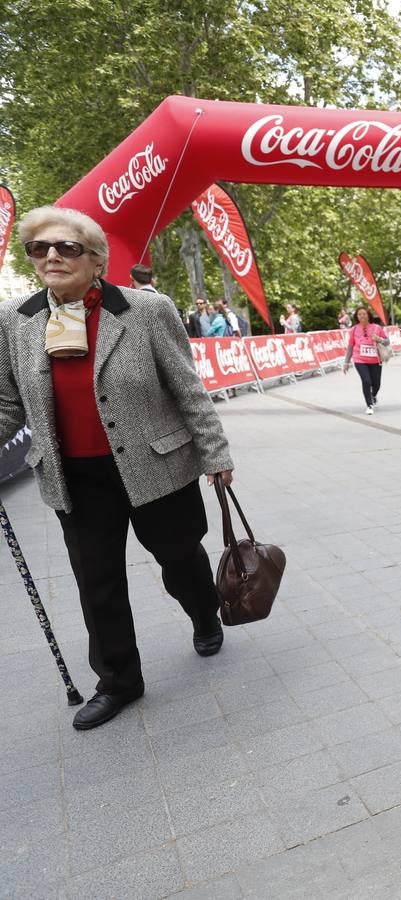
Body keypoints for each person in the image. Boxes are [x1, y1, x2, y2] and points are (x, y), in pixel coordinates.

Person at [0, 206, 234, 731]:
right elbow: (8, 404)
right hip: (74, 477)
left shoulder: (145, 311)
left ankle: (203, 611)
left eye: (66, 247)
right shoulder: (15, 320)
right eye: (40, 248)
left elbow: (187, 387)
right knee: (97, 582)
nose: (51, 257)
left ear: (96, 258)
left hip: (157, 466)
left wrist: (216, 455)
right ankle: (119, 681)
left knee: (180, 558)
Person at [342, 305, 389, 415]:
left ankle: (373, 396)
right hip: (360, 360)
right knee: (366, 381)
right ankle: (369, 405)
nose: (362, 316)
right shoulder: (353, 330)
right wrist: (346, 362)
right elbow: (350, 347)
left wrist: (380, 339)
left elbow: (387, 342)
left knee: (376, 384)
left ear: (368, 315)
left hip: (375, 360)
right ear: (356, 316)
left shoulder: (377, 327)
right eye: (359, 314)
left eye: (364, 314)